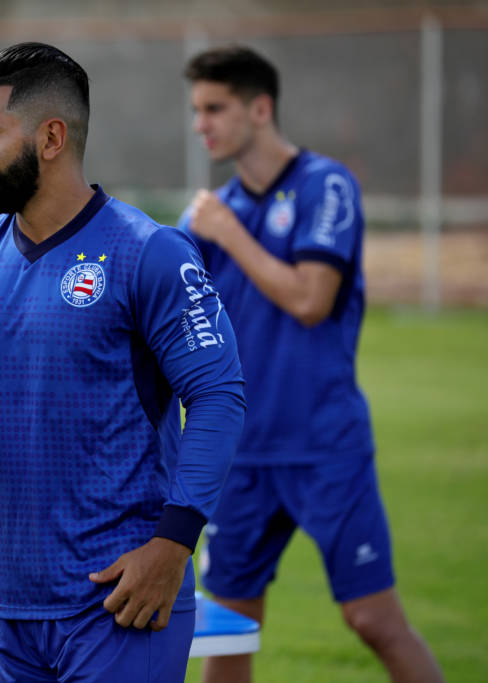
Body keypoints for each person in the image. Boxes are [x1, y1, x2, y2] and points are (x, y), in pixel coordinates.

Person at [0, 43, 245, 682]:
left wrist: (174, 544)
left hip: (123, 600)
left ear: (52, 137)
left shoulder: (148, 252)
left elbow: (218, 396)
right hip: (17, 609)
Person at [179, 45, 444, 683]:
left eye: (214, 108)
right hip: (240, 455)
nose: (200, 124)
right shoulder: (206, 217)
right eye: (196, 110)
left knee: (373, 620)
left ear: (260, 108)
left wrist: (229, 232)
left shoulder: (325, 186)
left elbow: (309, 300)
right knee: (227, 633)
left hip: (324, 445)